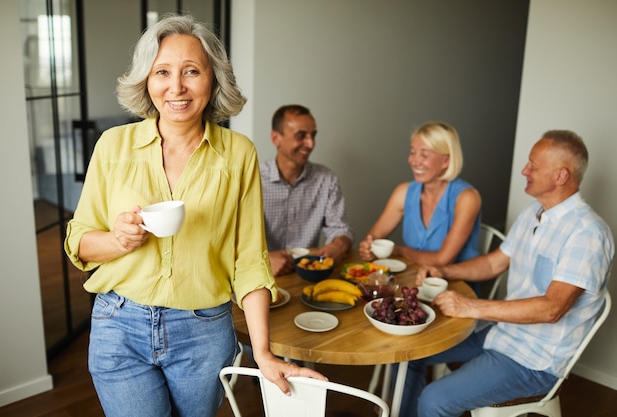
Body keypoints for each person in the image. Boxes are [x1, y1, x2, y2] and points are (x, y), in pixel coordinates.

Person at [64, 15, 324, 417]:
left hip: (203, 332)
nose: (176, 87)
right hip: (119, 324)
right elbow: (79, 239)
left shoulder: (239, 153)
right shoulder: (113, 146)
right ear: (146, 81)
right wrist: (118, 240)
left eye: (192, 71)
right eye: (162, 72)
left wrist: (263, 352)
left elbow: (249, 260)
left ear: (213, 79)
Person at [402, 130, 614, 417]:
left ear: (561, 176)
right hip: (501, 334)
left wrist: (470, 307)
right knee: (408, 352)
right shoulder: (533, 213)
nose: (525, 170)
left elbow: (552, 308)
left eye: (533, 165)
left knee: (434, 399)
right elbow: (493, 264)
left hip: (534, 361)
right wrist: (443, 269)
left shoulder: (587, 233)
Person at [359, 121, 481, 272]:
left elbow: (442, 260)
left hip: (455, 286)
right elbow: (374, 236)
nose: (414, 161)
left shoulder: (467, 198)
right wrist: (369, 246)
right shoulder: (403, 192)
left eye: (424, 154)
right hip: (414, 278)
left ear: (446, 161)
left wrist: (400, 251)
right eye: (412, 152)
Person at [261, 104, 354, 276]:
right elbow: (230, 240)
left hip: (309, 276)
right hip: (260, 278)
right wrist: (262, 259)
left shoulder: (327, 179)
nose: (310, 144)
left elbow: (341, 228)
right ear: (276, 138)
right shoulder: (251, 179)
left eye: (313, 135)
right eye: (301, 136)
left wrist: (338, 245)